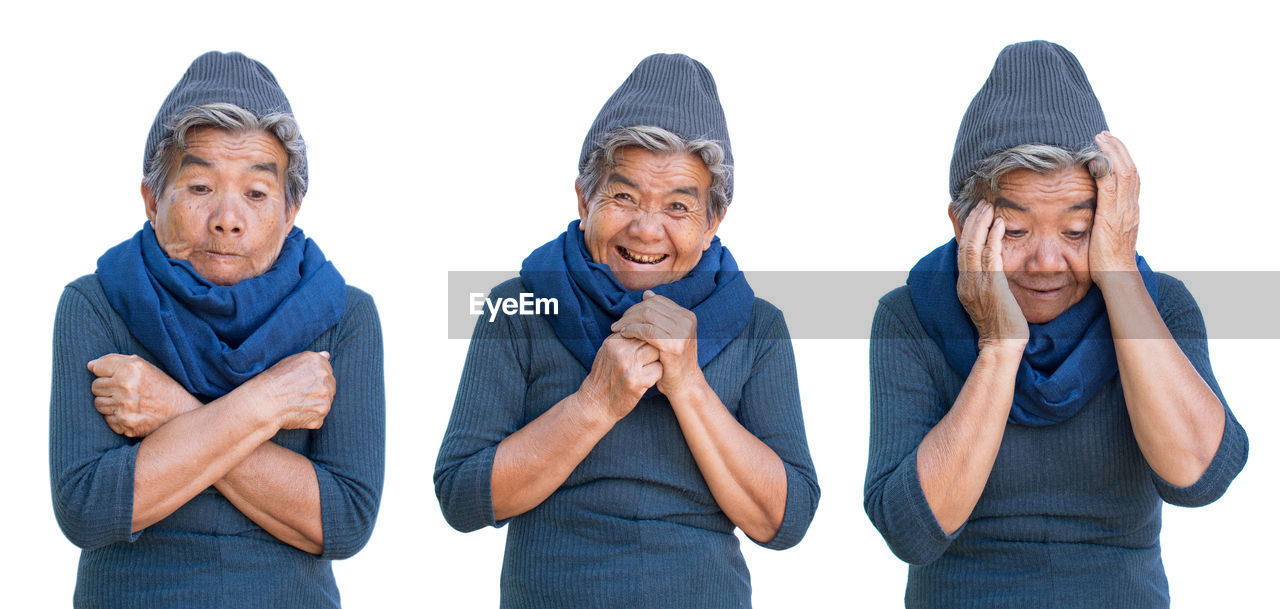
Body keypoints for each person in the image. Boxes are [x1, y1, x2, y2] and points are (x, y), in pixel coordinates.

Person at [863, 40, 1249, 608]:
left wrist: (1118, 275)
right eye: (1015, 233)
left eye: (1076, 232)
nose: (1047, 263)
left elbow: (1198, 479)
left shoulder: (1161, 307)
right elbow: (913, 532)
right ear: (961, 224)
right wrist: (998, 346)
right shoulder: (911, 317)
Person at [434, 53, 819, 608]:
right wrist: (594, 404)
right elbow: (462, 498)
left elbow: (785, 520)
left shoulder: (757, 326)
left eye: (678, 207)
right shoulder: (516, 308)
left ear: (712, 223)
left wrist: (688, 384)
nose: (646, 229)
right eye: (624, 197)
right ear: (584, 198)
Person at [49, 51, 385, 608]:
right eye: (201, 187)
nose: (228, 218)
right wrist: (269, 403)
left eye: (256, 194)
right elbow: (87, 509)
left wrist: (171, 412)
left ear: (291, 209)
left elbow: (343, 520)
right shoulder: (96, 303)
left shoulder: (343, 317)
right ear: (153, 199)